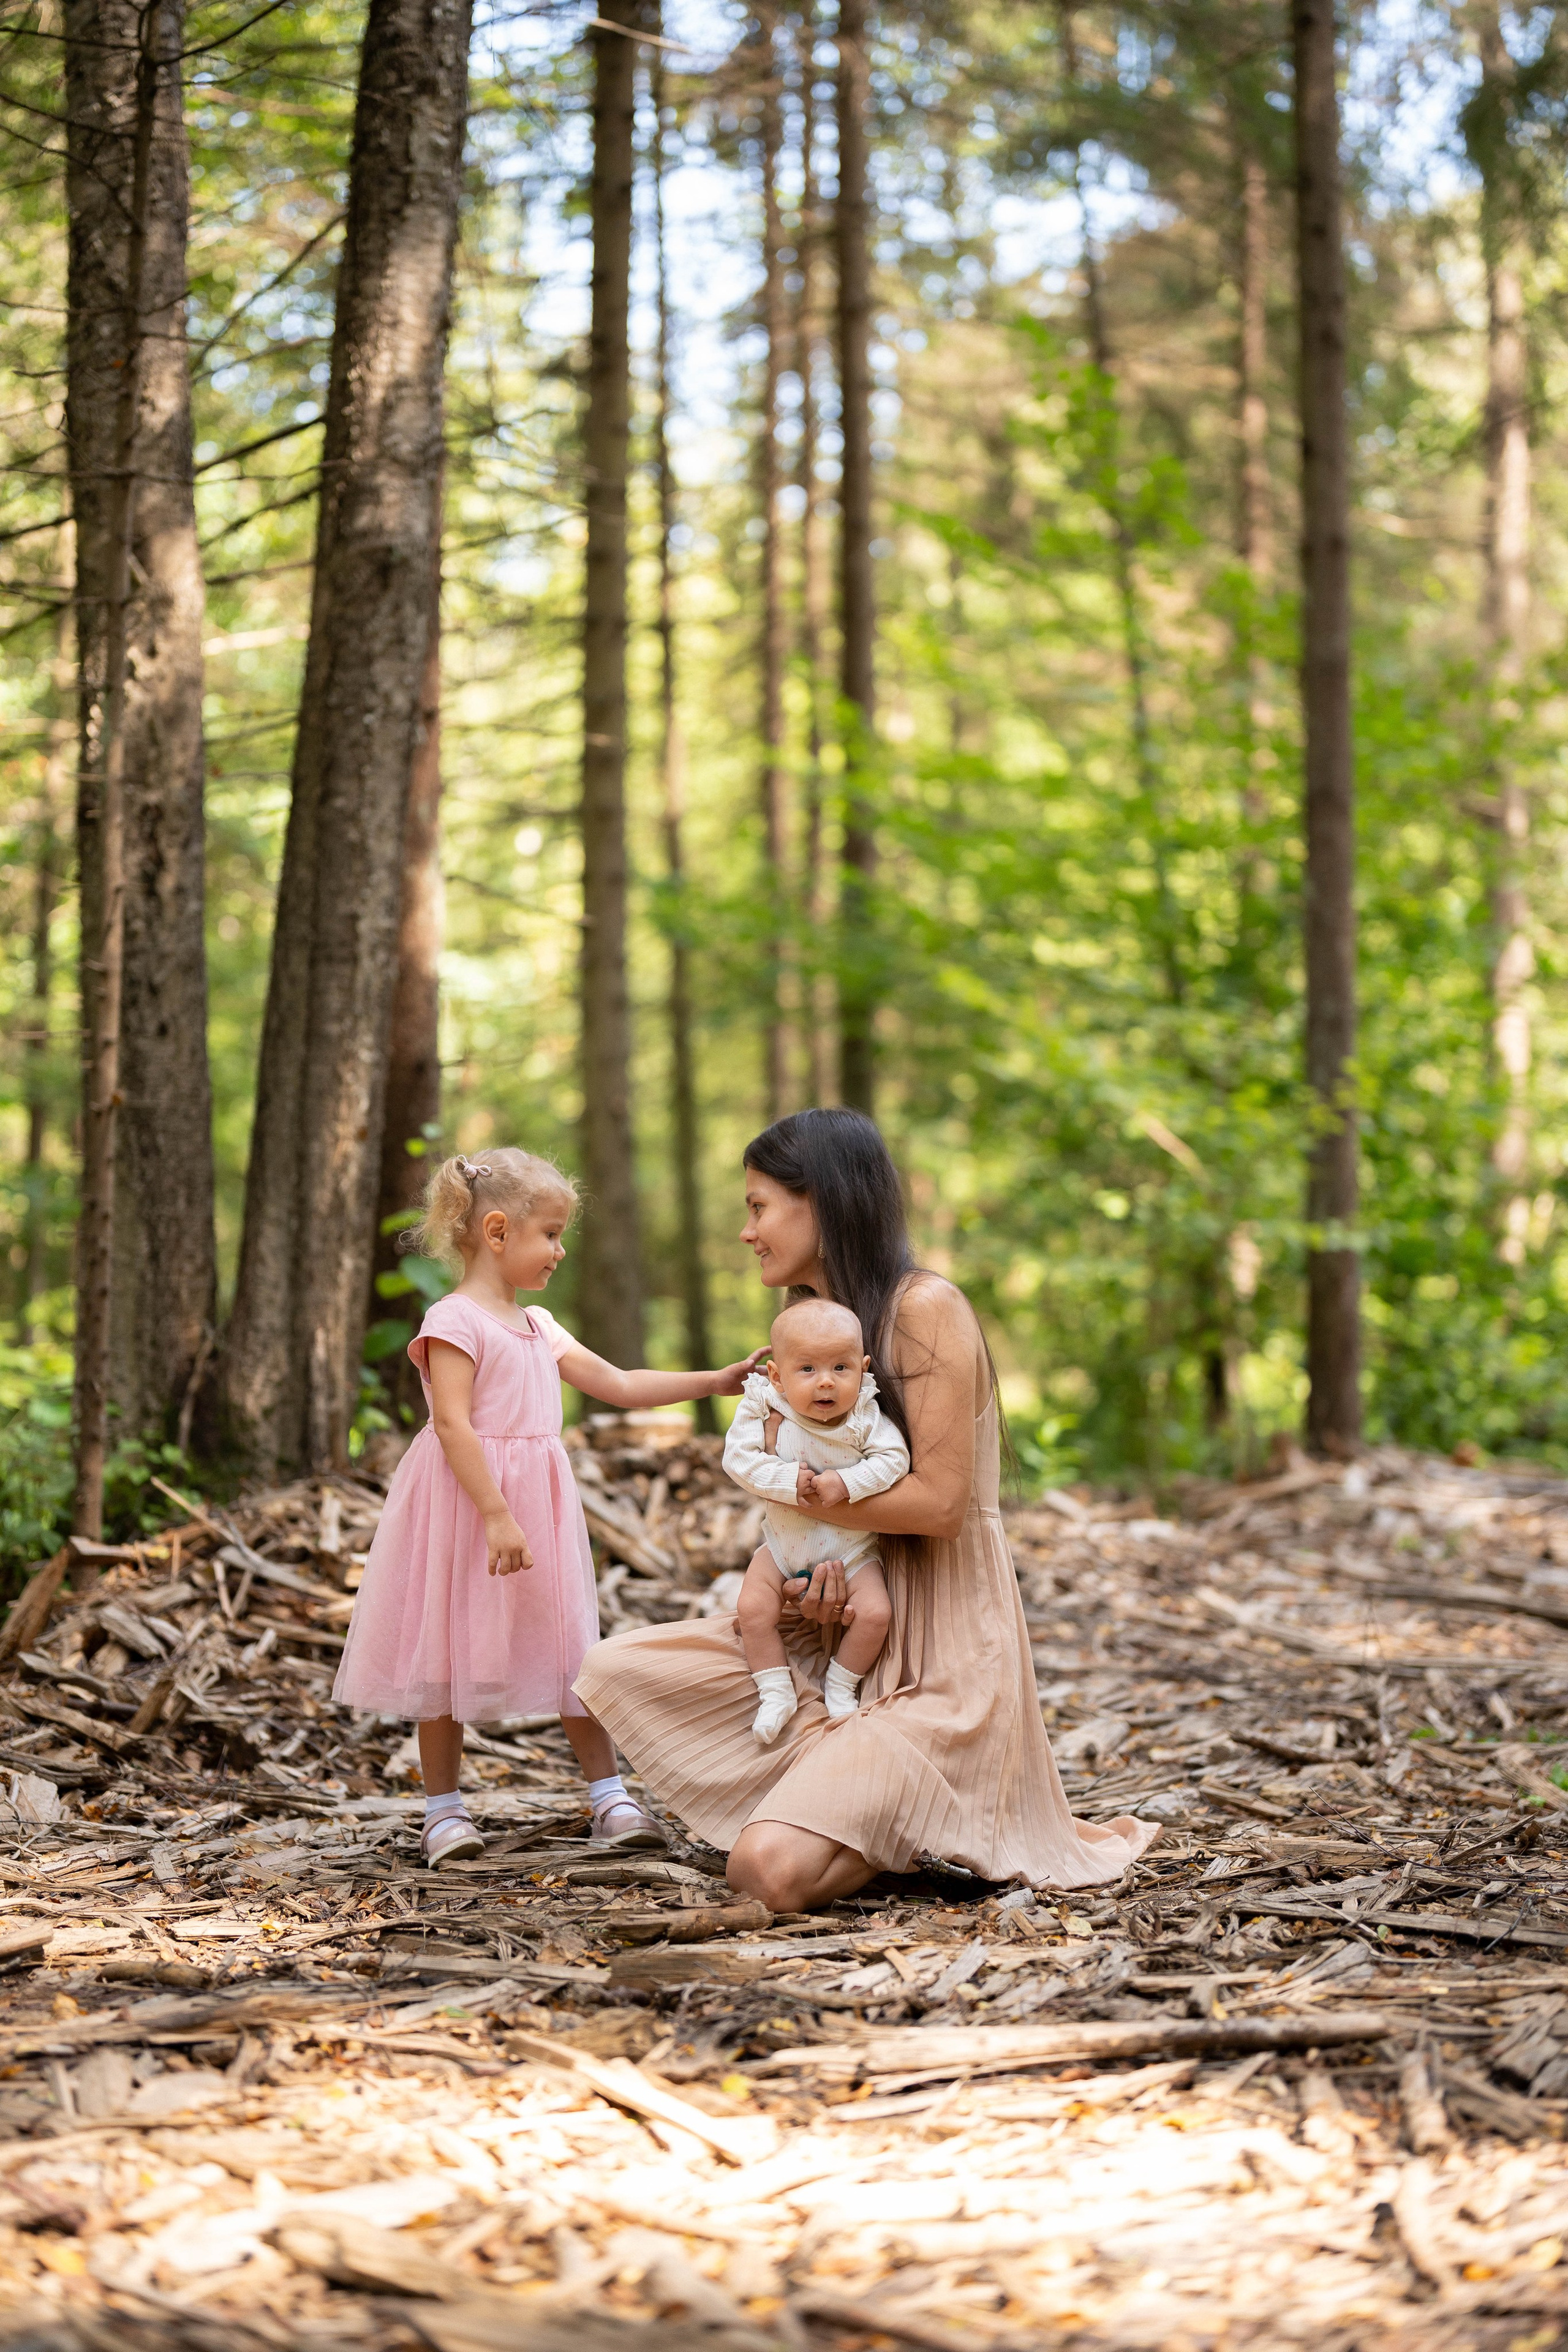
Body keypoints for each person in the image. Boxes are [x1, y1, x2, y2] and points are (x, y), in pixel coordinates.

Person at [575, 1107, 1159, 1912]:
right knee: (611, 1669)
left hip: (942, 1662)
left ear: (824, 1202)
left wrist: (808, 1503)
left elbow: (942, 1506)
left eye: (758, 1206)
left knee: (765, 1875)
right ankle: (856, 1780)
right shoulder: (810, 1336)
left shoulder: (925, 1309)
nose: (747, 1232)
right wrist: (803, 1578)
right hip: (835, 1632)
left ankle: (910, 1794)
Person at [333, 1148, 763, 1867]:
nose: (561, 1251)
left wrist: (715, 1381)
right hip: (468, 1506)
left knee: (571, 1645)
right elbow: (452, 1424)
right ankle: (443, 1810)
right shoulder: (454, 1320)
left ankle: (609, 1797)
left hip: (539, 1508)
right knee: (447, 1645)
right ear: (497, 1232)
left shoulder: (540, 1326)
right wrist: (497, 1512)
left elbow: (621, 1383)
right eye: (552, 1234)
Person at [724, 1297, 907, 1744]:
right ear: (777, 1376)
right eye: (807, 1370)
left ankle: (842, 1686)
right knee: (752, 1608)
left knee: (876, 1613)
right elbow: (738, 1461)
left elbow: (894, 1459)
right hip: (784, 1545)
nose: (826, 1383)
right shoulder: (762, 1406)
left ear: (863, 1370)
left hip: (852, 1549)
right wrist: (787, 1480)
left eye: (840, 1369)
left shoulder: (865, 1415)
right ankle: (775, 1691)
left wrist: (849, 1483)